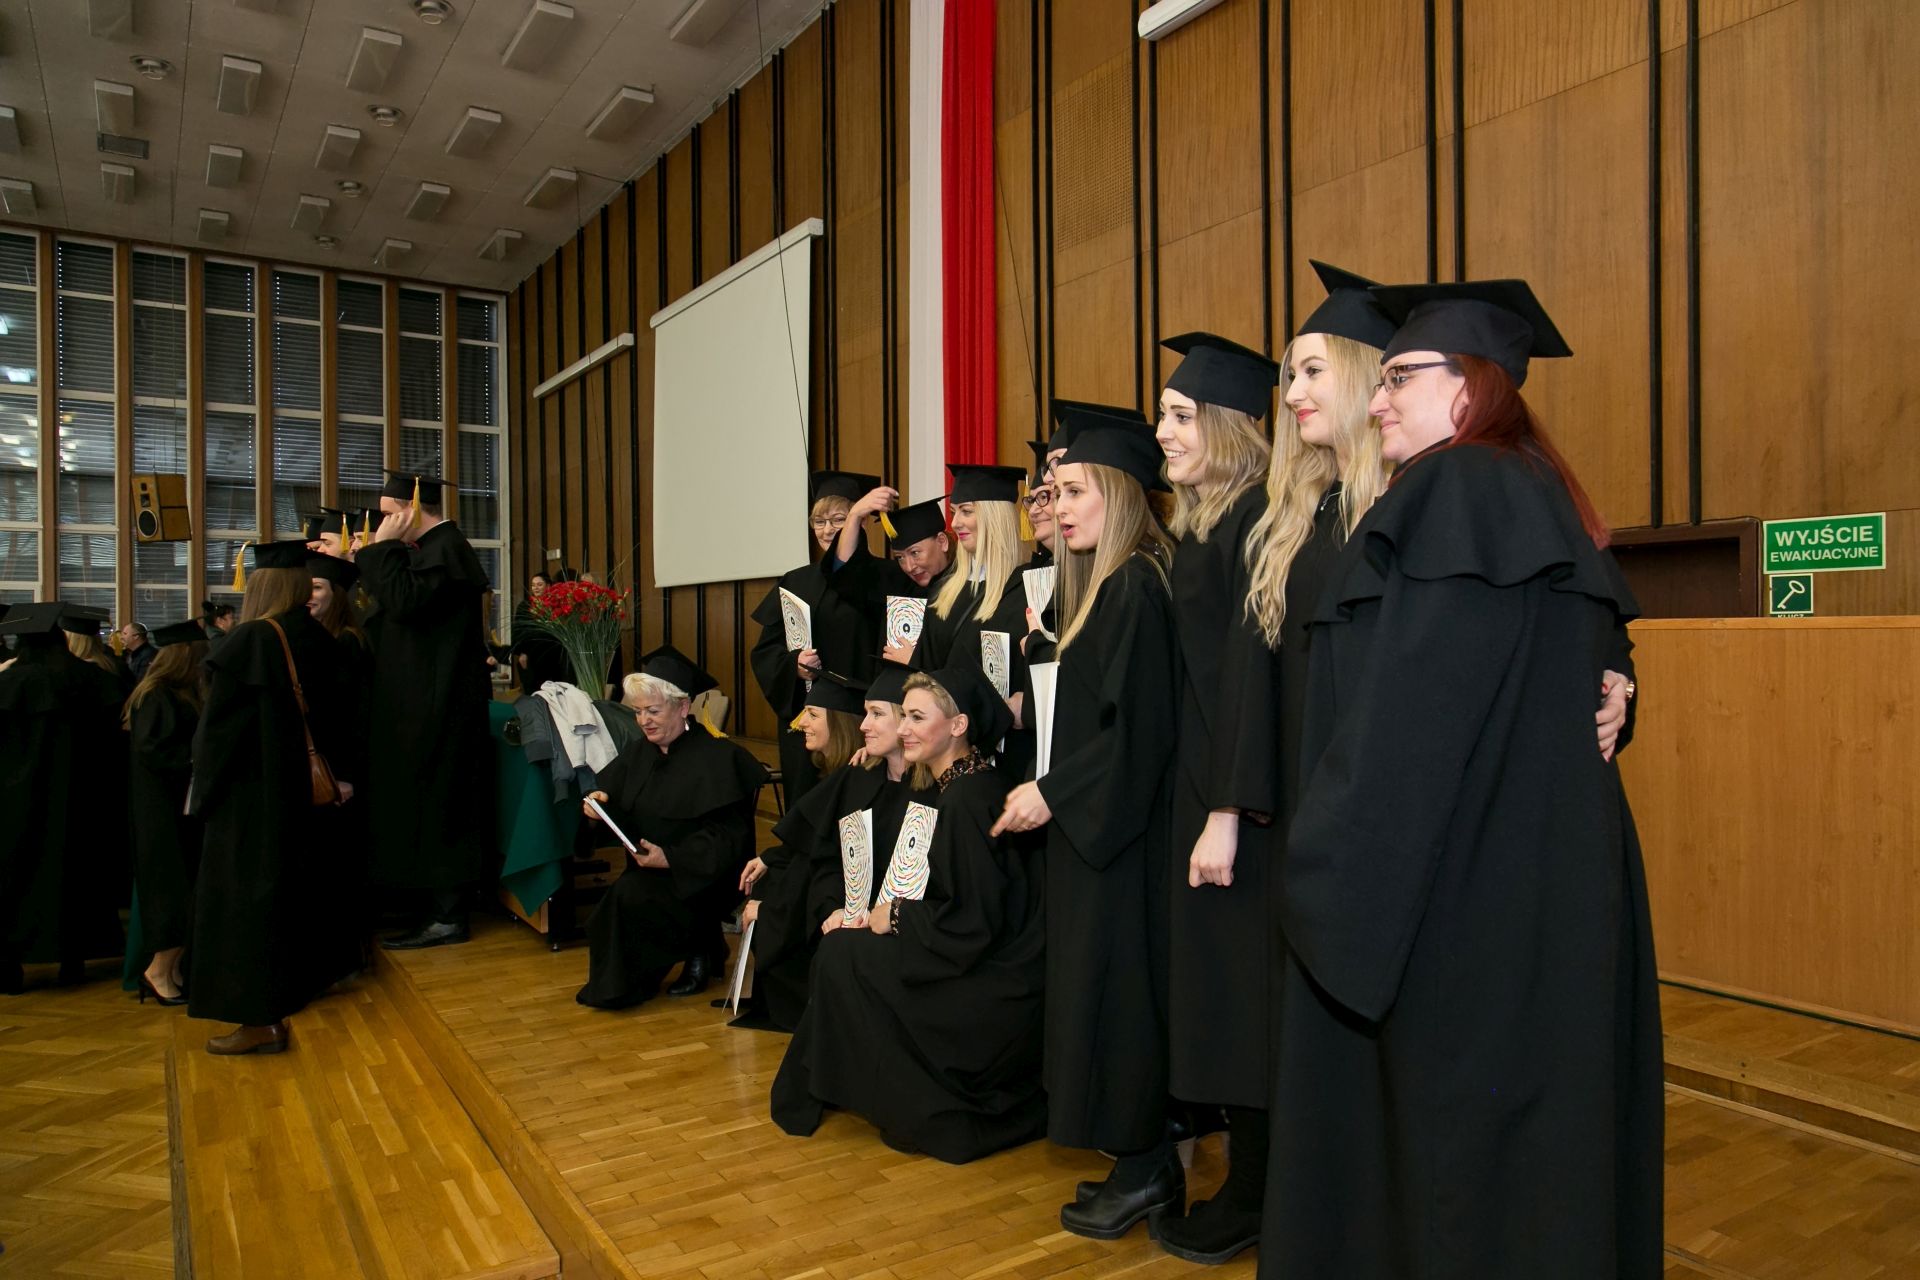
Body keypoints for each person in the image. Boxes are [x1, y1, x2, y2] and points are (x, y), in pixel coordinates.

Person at [1258, 277, 1660, 1279]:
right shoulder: (1535, 490)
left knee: (1448, 1163)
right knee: (1531, 1153)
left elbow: (1410, 722)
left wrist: (1318, 867)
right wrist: (1622, 686)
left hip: (1461, 891)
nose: (1379, 400)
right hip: (1547, 890)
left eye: (1400, 377)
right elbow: (1585, 660)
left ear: (1471, 385)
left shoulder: (1457, 489)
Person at [992, 411, 1182, 1239]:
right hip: (1092, 828)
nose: (1058, 508)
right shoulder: (1103, 587)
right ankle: (1134, 1160)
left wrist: (1054, 791)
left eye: (1074, 491)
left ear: (1119, 493)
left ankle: (1146, 1168)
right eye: (1054, 492)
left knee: (1122, 998)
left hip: (1120, 837)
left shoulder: (1136, 585)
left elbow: (1138, 733)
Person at [772, 665, 1045, 1163]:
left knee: (844, 957)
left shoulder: (966, 799)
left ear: (958, 726)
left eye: (916, 718)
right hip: (976, 953)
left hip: (994, 977)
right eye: (903, 717)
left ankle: (910, 1102)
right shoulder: (967, 784)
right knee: (844, 952)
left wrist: (894, 917)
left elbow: (974, 925)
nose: (902, 729)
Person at [1142, 329, 1283, 1263]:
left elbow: (1247, 681)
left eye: (1182, 415)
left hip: (1239, 807)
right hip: (1205, 792)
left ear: (1229, 426)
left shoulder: (1252, 524)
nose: (1163, 430)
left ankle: (1257, 1195)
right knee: (1223, 1002)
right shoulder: (1207, 524)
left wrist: (1226, 813)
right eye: (1163, 414)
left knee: (1244, 1006)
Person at [189, 541, 354, 1054]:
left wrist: (203, 795)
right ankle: (292, 995)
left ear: (260, 586)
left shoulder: (253, 639)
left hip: (251, 797)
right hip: (305, 796)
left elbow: (218, 735)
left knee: (245, 909)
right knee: (293, 900)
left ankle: (260, 1022)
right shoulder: (322, 638)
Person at [575, 645, 765, 1009]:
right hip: (649, 873)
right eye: (638, 712)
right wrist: (598, 805)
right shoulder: (639, 753)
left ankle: (700, 947)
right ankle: (645, 973)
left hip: (701, 877)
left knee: (629, 898)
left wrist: (671, 858)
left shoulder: (719, 758)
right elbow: (615, 801)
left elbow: (730, 839)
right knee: (615, 907)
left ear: (682, 707)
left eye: (653, 711)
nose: (644, 720)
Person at [357, 470, 495, 949]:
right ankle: (431, 907)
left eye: (388, 514)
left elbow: (404, 601)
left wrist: (380, 549)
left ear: (412, 509)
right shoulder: (431, 549)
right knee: (425, 804)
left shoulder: (446, 548)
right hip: (425, 703)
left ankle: (448, 915)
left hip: (443, 708)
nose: (382, 523)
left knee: (442, 806)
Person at [0, 603, 129, 994]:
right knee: (78, 878)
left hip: (16, 804)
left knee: (14, 882)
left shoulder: (8, 684)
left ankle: (10, 968)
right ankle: (73, 961)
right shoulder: (92, 679)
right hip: (80, 800)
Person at [737, 669, 871, 1031]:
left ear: (840, 722)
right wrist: (769, 857)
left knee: (770, 894)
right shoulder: (826, 773)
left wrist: (772, 910)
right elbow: (807, 842)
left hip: (833, 896)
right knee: (767, 880)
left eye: (812, 714)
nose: (800, 724)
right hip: (816, 886)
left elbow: (820, 860)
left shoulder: (854, 780)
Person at [748, 470, 881, 810]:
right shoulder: (795, 581)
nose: (827, 529)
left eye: (839, 519)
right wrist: (793, 665)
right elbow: (766, 651)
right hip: (807, 719)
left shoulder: (881, 578)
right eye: (819, 522)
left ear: (861, 521)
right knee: (808, 807)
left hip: (862, 717)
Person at [123, 620, 212, 1007]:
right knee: (171, 892)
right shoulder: (157, 695)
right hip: (161, 812)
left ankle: (172, 970)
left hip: (178, 808)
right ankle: (158, 971)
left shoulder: (176, 692)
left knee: (184, 887)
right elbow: (154, 751)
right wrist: (196, 761)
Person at [309, 554, 376, 982]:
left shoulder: (348, 642)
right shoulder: (318, 638)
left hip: (341, 774)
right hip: (326, 770)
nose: (309, 595)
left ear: (336, 594)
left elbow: (353, 715)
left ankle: (346, 957)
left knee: (340, 868)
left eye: (317, 588)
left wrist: (344, 774)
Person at [827, 493, 953, 665]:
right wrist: (854, 516)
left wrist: (916, 661)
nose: (909, 566)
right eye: (900, 557)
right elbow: (847, 573)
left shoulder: (966, 589)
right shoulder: (898, 582)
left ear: (942, 542)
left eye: (915, 553)